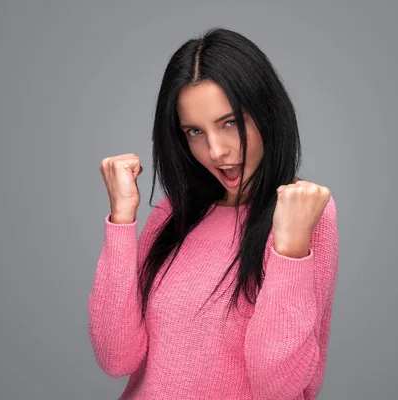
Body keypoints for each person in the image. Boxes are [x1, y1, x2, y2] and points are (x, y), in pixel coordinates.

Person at [88, 27, 339, 400]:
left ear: (267, 114)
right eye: (194, 131)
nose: (216, 151)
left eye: (230, 122)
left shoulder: (306, 214)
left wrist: (289, 251)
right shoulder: (172, 216)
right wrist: (122, 222)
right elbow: (115, 358)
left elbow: (279, 387)